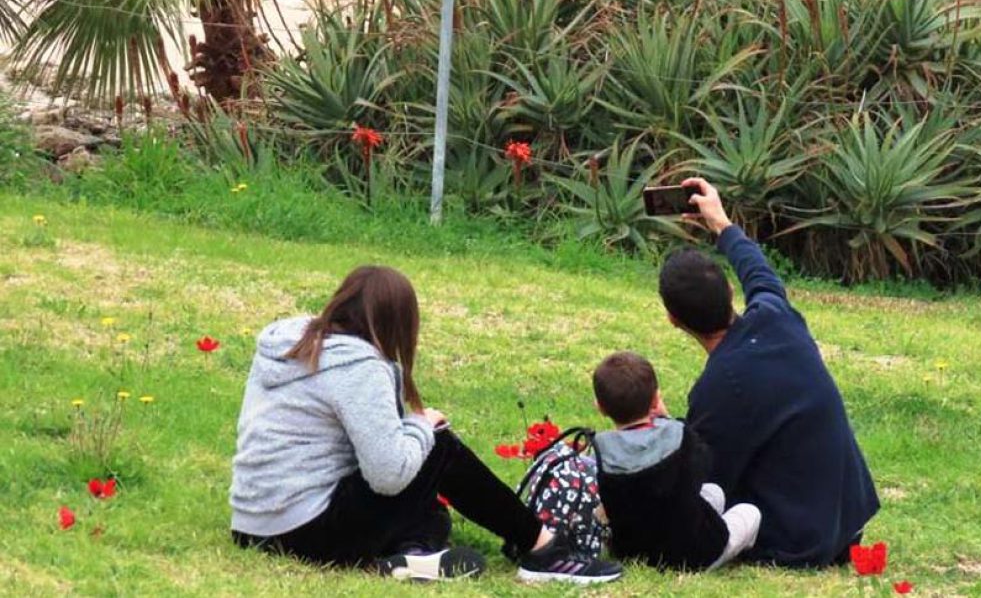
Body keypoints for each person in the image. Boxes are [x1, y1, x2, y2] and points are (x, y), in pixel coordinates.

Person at [229, 265, 622, 584]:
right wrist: (420, 425)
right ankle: (542, 548)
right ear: (397, 324)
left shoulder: (292, 344)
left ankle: (414, 555)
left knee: (430, 513)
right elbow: (387, 474)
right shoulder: (357, 366)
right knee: (439, 448)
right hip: (305, 532)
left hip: (252, 526)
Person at [657, 178, 880, 568]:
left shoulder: (718, 388)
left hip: (798, 542)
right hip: (848, 523)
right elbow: (759, 271)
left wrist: (660, 432)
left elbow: (703, 479)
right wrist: (721, 223)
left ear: (673, 320)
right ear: (730, 289)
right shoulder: (777, 318)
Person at [590, 351, 761, 571]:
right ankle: (736, 555)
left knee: (714, 492)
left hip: (633, 550)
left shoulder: (601, 451)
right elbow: (704, 463)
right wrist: (667, 419)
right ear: (655, 399)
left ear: (600, 407)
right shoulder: (679, 437)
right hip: (693, 553)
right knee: (749, 512)